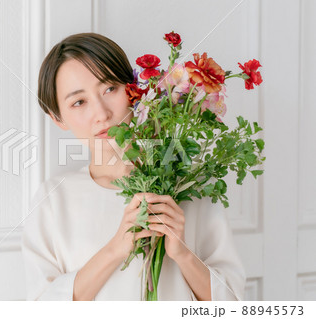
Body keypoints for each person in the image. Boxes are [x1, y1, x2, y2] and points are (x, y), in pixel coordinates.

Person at [21, 32, 246, 301]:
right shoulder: (53, 200)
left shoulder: (189, 186)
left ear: (134, 90)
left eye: (109, 89)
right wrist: (116, 248)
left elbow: (233, 302)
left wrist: (182, 254)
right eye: (79, 102)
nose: (102, 114)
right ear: (58, 118)